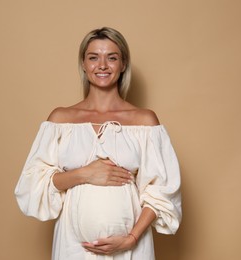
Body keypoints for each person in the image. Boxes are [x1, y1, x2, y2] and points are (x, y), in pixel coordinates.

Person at [15, 27, 182, 259]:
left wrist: (131, 238)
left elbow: (161, 191)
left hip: (130, 249)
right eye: (93, 57)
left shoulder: (144, 122)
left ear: (123, 64)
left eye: (111, 58)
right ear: (83, 64)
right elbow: (33, 183)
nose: (102, 65)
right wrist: (85, 174)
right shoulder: (60, 120)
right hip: (72, 246)